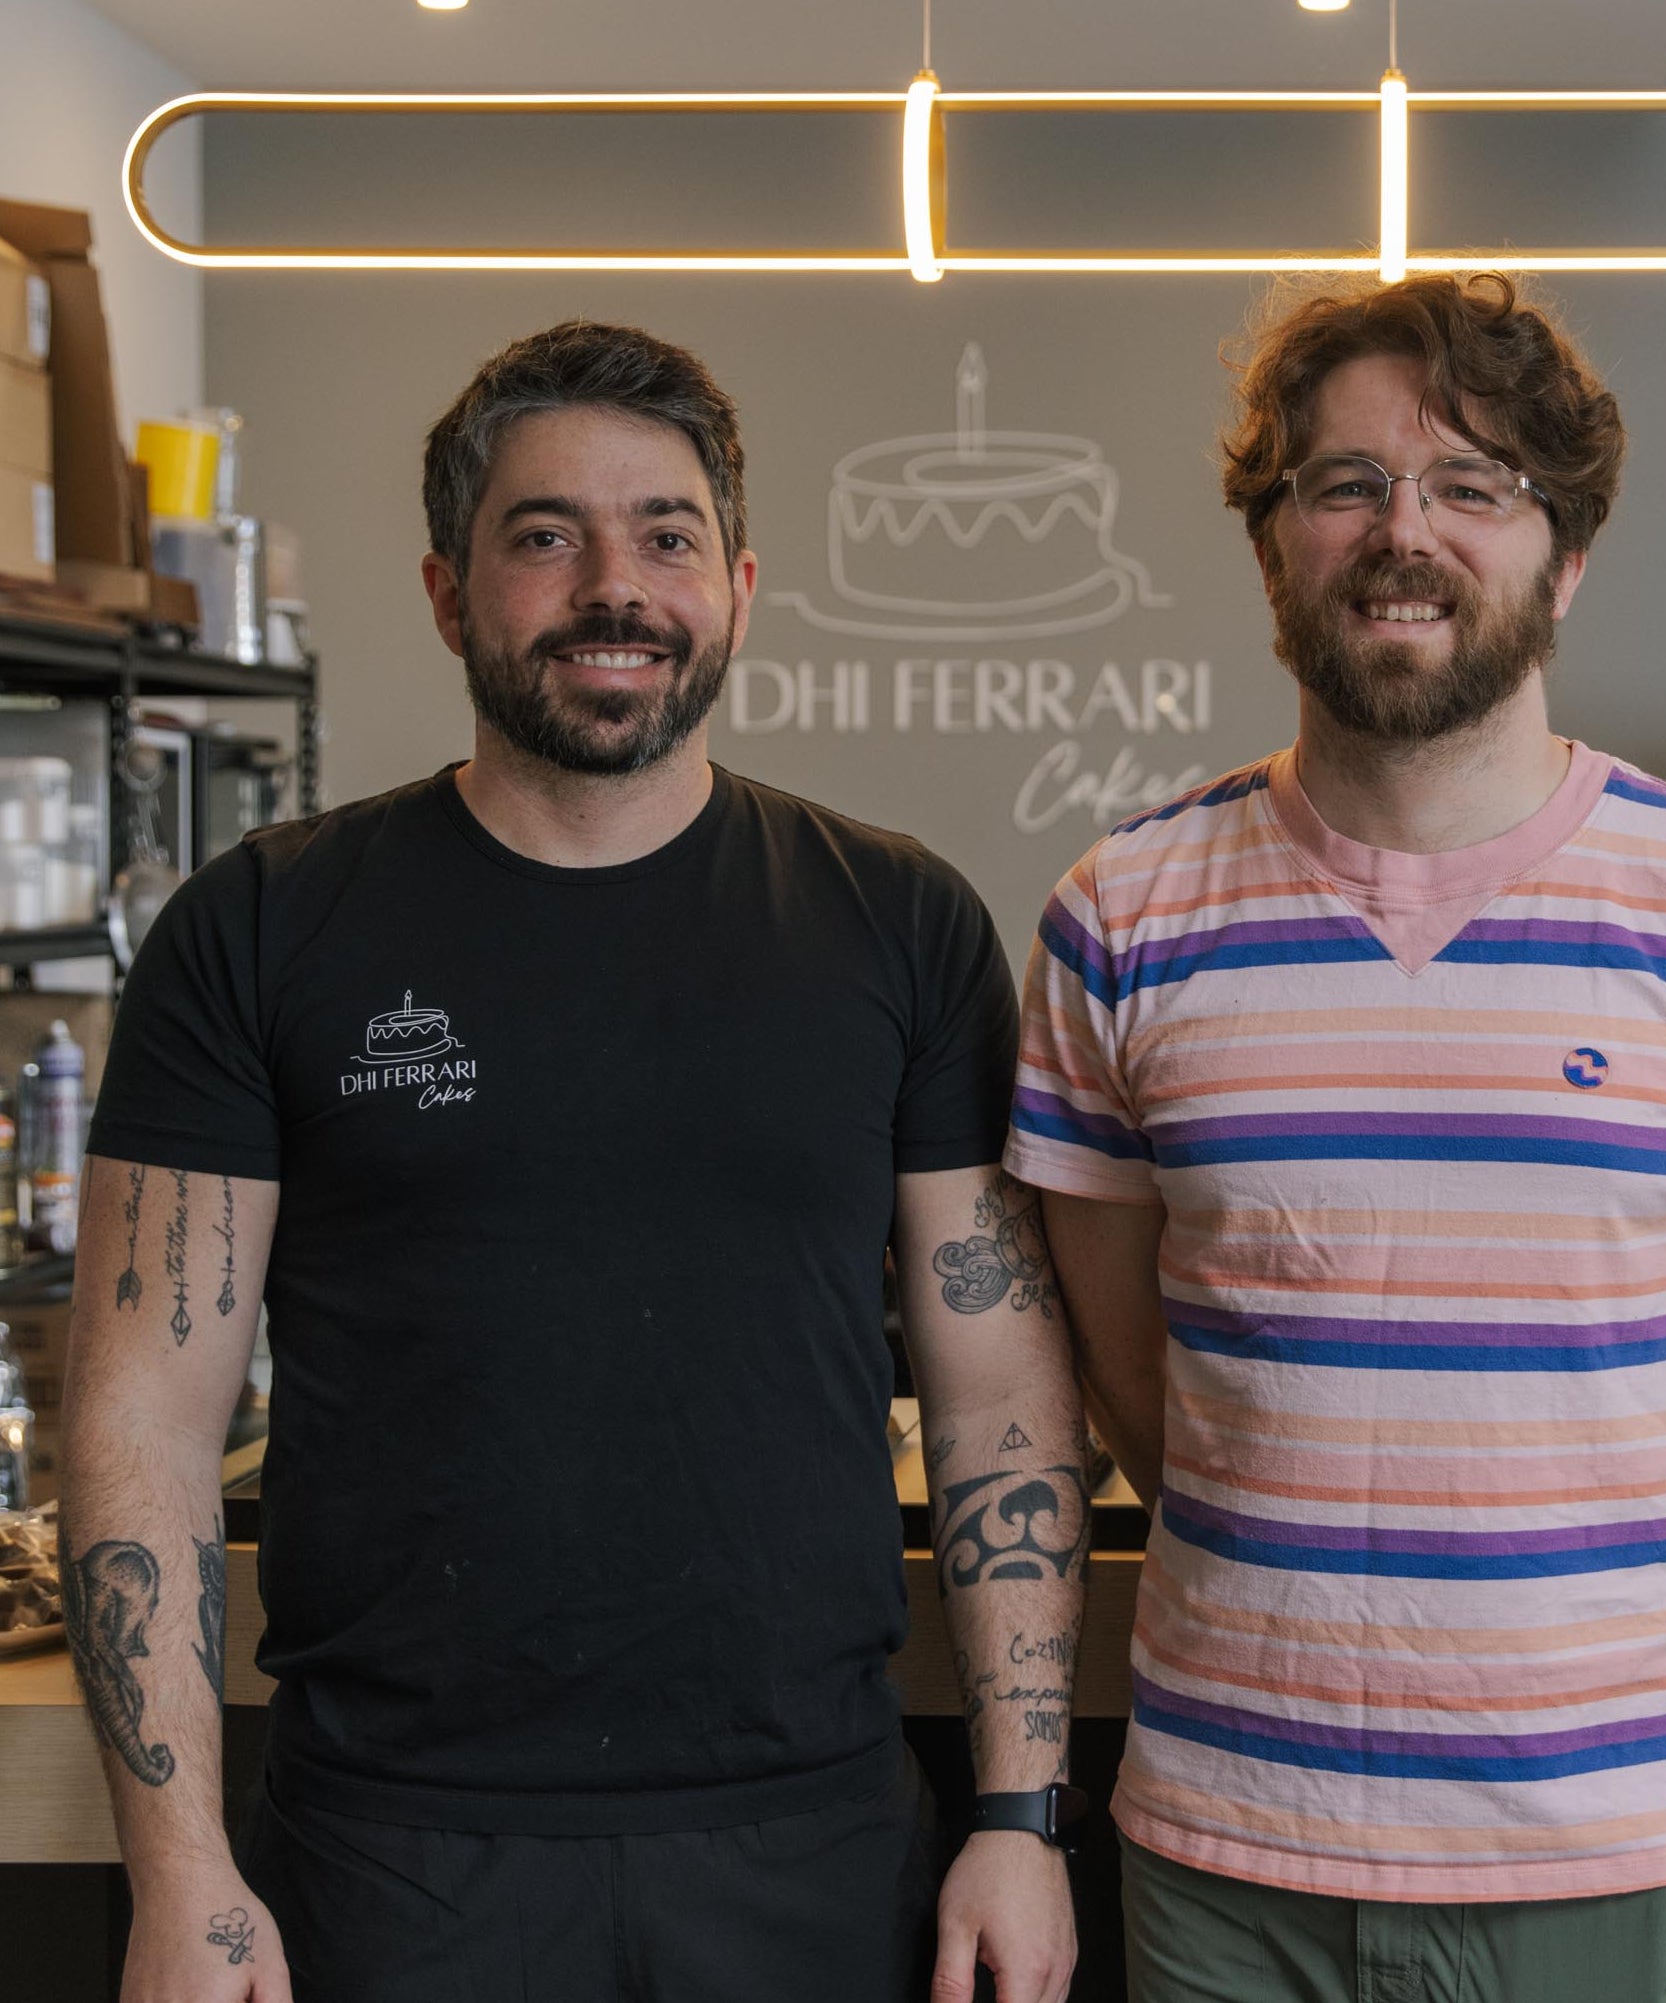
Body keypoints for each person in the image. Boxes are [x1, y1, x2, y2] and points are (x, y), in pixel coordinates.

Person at [61, 321, 1088, 2003]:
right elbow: (143, 1421)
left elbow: (998, 1394)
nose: (617, 585)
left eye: (666, 536)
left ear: (739, 587)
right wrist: (179, 1876)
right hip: (392, 1859)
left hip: (814, 1843)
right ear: (449, 592)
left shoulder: (897, 924)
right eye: (545, 536)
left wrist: (1022, 1815)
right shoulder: (259, 929)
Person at [1003, 273, 1666, 2003]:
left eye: (1470, 487)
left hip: (1614, 1858)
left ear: (1563, 556)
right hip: (1228, 1851)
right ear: (1273, 545)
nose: (1398, 531)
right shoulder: (1118, 921)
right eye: (1343, 484)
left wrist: (1617, 1665)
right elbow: (1129, 1374)